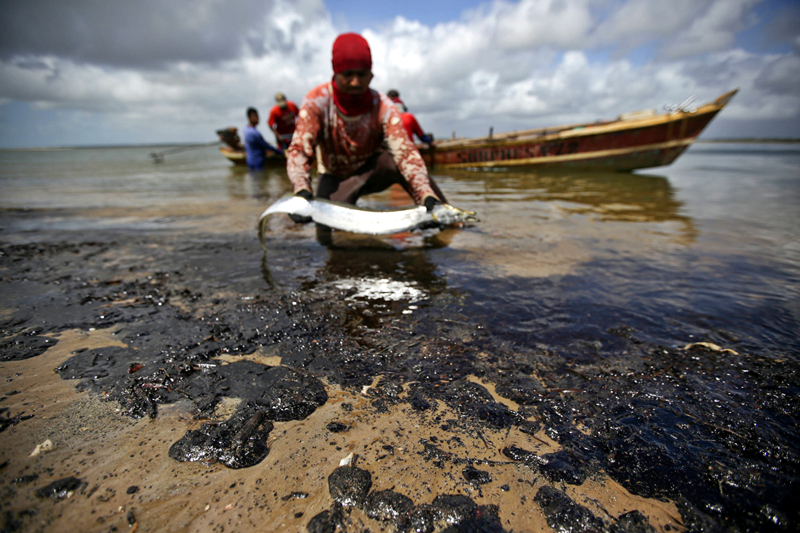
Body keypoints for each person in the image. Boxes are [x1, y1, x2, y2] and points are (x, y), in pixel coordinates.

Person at [286, 33, 447, 222]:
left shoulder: (383, 106)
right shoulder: (317, 102)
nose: (355, 82)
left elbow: (405, 152)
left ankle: (446, 215)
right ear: (335, 73)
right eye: (348, 75)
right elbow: (300, 150)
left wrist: (425, 194)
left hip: (371, 172)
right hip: (335, 177)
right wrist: (301, 190)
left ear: (371, 76)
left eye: (361, 75)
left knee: (396, 162)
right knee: (326, 230)